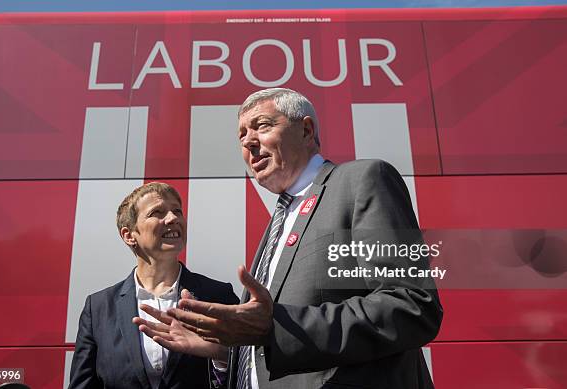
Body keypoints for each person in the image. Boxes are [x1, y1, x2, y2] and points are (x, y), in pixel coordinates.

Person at [135, 89, 443, 388]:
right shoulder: (280, 223)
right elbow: (274, 344)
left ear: (307, 130)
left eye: (262, 126)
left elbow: (411, 305)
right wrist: (225, 349)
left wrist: (274, 327)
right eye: (242, 136)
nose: (249, 142)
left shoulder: (361, 181)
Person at [68, 182, 239, 389]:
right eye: (157, 212)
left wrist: (220, 354)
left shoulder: (218, 296)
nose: (173, 218)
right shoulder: (98, 308)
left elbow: (249, 376)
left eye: (177, 211)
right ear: (129, 235)